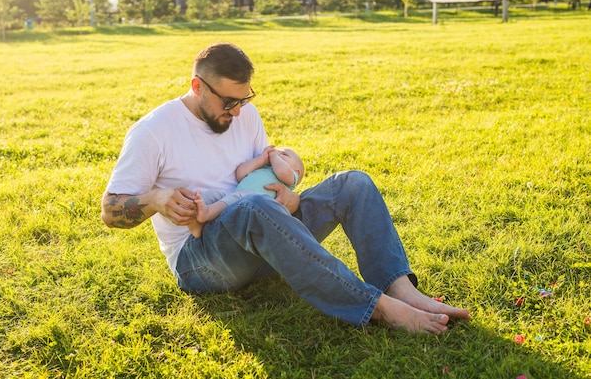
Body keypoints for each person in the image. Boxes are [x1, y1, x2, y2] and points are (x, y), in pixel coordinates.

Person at [101, 42, 471, 334]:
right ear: (197, 86)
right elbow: (110, 211)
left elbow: (262, 179)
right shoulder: (154, 131)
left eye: (245, 99)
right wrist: (155, 199)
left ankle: (401, 290)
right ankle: (380, 309)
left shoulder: (244, 116)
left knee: (353, 183)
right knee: (249, 210)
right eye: (229, 102)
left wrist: (290, 197)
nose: (238, 112)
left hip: (265, 238)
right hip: (201, 261)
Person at [187, 145, 304, 238]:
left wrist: (274, 156)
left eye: (284, 154)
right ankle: (197, 222)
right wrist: (261, 160)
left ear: (297, 172)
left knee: (243, 196)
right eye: (277, 151)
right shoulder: (265, 168)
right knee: (214, 194)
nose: (278, 153)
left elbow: (283, 172)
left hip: (252, 204)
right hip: (235, 198)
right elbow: (240, 174)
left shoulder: (290, 177)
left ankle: (207, 213)